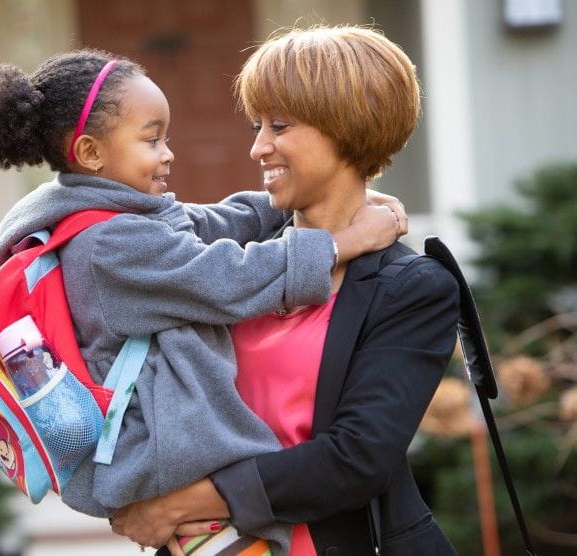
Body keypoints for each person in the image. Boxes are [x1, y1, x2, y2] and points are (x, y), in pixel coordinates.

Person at [0, 48, 407, 555]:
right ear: (89, 153)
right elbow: (228, 279)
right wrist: (341, 242)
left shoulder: (118, 220)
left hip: (174, 456)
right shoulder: (110, 246)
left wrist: (300, 194)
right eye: (152, 140)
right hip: (168, 459)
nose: (168, 152)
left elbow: (212, 223)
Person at [110, 25, 461, 556]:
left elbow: (355, 460)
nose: (257, 147)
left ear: (347, 124)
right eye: (257, 125)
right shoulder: (227, 268)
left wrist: (176, 505)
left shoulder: (412, 289)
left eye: (279, 125)